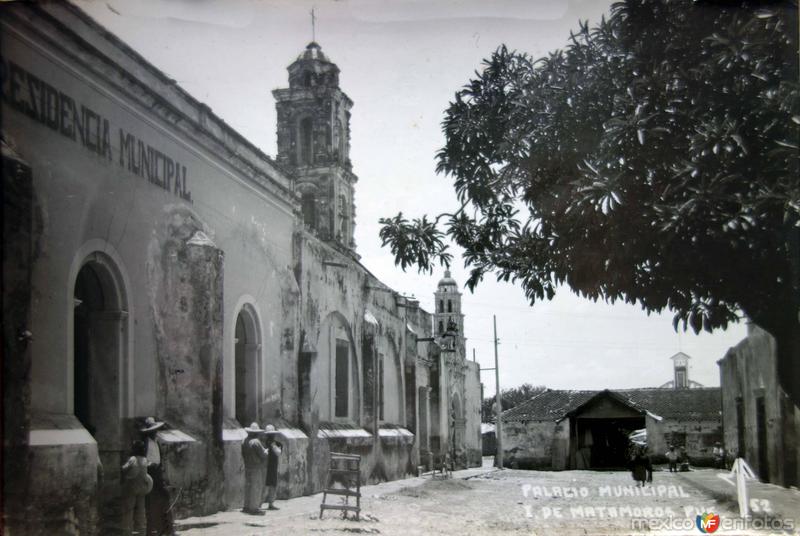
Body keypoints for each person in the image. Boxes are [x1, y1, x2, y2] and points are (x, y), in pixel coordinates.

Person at [140, 417, 174, 535]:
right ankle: (151, 529)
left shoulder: (157, 443)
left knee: (164, 499)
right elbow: (143, 459)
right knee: (150, 503)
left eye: (156, 430)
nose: (155, 433)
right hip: (149, 474)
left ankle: (166, 529)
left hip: (158, 474)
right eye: (153, 431)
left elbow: (160, 459)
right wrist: (150, 466)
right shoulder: (145, 443)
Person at [121, 440, 153, 536]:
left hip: (132, 486)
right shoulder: (144, 459)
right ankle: (142, 531)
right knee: (141, 509)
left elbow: (124, 468)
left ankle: (127, 531)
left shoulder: (132, 459)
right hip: (143, 487)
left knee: (129, 509)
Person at [242, 422, 269, 514]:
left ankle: (246, 506)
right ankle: (254, 508)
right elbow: (263, 455)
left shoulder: (244, 441)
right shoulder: (256, 442)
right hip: (256, 467)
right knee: (256, 487)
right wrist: (267, 451)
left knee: (248, 486)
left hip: (247, 466)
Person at [263, 425, 283, 511]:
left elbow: (278, 452)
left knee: (271, 485)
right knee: (267, 485)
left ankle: (270, 503)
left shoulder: (276, 444)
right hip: (266, 466)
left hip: (271, 466)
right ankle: (261, 503)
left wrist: (275, 445)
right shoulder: (266, 443)